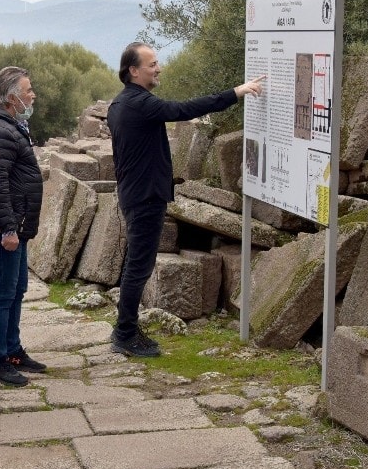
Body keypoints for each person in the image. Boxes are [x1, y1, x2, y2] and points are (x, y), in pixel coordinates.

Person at [107, 42, 266, 357]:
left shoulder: (119, 104)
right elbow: (185, 109)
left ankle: (127, 329)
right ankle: (124, 333)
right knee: (139, 267)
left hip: (135, 194)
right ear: (133, 71)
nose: (159, 68)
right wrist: (237, 92)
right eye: (152, 64)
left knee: (136, 265)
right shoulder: (141, 103)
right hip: (144, 198)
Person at [0, 66, 46, 386]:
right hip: (2, 225)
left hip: (15, 222)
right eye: (28, 90)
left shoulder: (10, 125)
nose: (32, 95)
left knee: (16, 290)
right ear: (11, 96)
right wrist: (8, 229)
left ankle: (12, 350)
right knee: (3, 294)